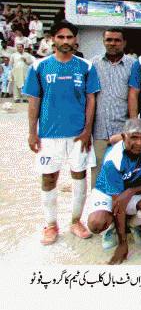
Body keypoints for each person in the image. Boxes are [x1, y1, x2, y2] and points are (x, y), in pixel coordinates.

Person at [23, 20, 101, 245]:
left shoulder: (85, 67)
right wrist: (32, 132)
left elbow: (91, 100)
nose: (65, 41)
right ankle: (50, 224)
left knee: (79, 177)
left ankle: (76, 221)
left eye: (69, 37)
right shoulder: (39, 66)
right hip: (48, 135)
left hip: (78, 135)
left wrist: (87, 130)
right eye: (61, 37)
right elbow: (34, 100)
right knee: (48, 179)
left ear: (76, 40)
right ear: (53, 39)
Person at [86, 118, 141, 264]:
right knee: (96, 224)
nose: (139, 143)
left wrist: (131, 191)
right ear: (123, 137)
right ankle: (110, 229)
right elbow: (119, 204)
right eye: (134, 138)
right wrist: (123, 244)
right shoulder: (113, 157)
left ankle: (134, 224)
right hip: (109, 193)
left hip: (134, 191)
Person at [91, 28, 136, 187]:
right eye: (109, 40)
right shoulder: (93, 64)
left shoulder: (133, 65)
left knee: (124, 174)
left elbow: (135, 96)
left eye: (117, 40)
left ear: (124, 43)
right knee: (97, 175)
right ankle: (97, 209)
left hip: (122, 131)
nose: (112, 43)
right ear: (103, 42)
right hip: (99, 131)